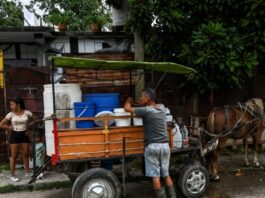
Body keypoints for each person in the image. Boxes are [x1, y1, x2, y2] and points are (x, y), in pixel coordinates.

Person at [124, 88, 176, 198]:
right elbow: (144, 106)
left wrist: (129, 100)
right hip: (165, 146)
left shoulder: (146, 110)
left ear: (148, 98)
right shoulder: (162, 107)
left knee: (155, 177)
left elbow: (126, 108)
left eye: (142, 96)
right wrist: (139, 103)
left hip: (153, 147)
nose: (140, 98)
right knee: (166, 175)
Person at [0, 97, 35, 182]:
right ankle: (12, 175)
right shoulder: (10, 114)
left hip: (25, 134)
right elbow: (1, 124)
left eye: (12, 104)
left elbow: (35, 119)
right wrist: (9, 127)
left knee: (26, 154)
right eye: (10, 104)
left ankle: (27, 172)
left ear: (18, 104)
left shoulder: (27, 113)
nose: (10, 106)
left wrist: (28, 127)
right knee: (14, 156)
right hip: (15, 135)